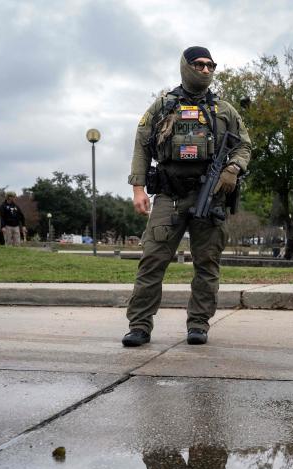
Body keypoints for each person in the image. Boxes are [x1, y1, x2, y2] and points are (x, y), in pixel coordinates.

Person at [122, 46, 251, 347]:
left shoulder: (224, 110)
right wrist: (138, 188)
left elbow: (244, 145)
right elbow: (141, 145)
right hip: (169, 196)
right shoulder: (163, 106)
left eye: (210, 65)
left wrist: (233, 167)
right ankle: (139, 326)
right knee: (152, 260)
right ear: (185, 66)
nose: (205, 70)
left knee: (207, 264)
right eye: (198, 65)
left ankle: (199, 324)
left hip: (211, 196)